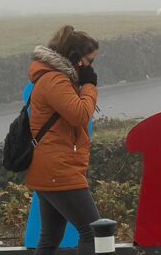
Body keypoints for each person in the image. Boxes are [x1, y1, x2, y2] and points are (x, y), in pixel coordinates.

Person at [26, 26, 101, 255]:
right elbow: (80, 115)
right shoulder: (55, 80)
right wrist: (89, 85)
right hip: (59, 169)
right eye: (89, 61)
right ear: (75, 57)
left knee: (50, 237)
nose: (91, 67)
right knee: (93, 232)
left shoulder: (55, 78)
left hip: (50, 168)